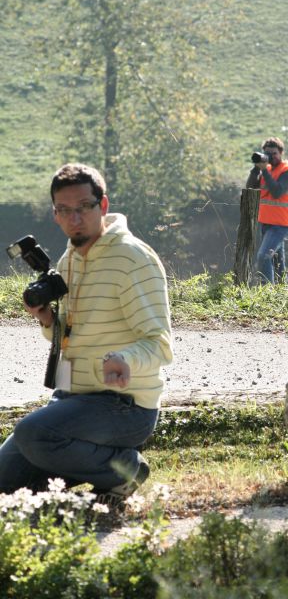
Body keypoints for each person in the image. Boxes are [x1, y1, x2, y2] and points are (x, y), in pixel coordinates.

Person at [0, 163, 173, 505]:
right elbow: (68, 337)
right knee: (6, 477)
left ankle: (125, 469)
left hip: (124, 406)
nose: (74, 218)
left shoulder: (133, 259)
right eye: (65, 210)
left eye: (84, 207)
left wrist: (124, 358)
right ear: (55, 214)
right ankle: (77, 464)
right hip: (72, 402)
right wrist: (48, 320)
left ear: (103, 206)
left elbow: (160, 343)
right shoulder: (70, 260)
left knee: (34, 433)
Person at [246, 136, 288, 284]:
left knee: (263, 256)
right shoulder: (265, 170)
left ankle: (267, 291)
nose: (271, 157)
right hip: (266, 223)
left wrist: (265, 172)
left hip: (281, 225)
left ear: (281, 152)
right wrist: (256, 170)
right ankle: (283, 292)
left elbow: (277, 192)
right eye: (267, 153)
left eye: (274, 153)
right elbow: (250, 189)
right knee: (278, 263)